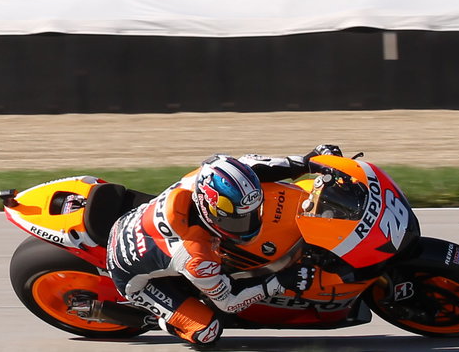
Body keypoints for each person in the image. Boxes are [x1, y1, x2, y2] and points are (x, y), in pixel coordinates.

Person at [104, 146, 344, 346]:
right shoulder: (195, 254)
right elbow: (230, 302)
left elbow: (255, 165)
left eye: (251, 214)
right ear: (207, 209)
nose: (248, 224)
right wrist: (280, 282)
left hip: (139, 224)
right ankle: (159, 318)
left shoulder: (213, 175)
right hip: (133, 277)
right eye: (236, 220)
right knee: (207, 331)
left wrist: (309, 162)